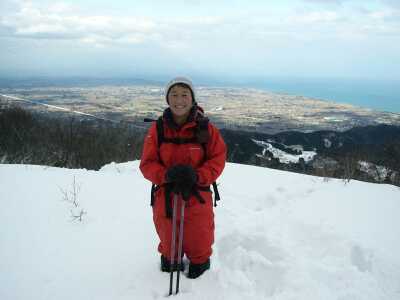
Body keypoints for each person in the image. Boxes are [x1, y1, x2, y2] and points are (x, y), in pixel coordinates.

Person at [139, 76, 226, 279]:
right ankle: (169, 263)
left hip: (197, 192)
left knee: (200, 235)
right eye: (174, 94)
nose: (179, 100)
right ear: (167, 99)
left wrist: (197, 175)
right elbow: (147, 164)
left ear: (192, 99)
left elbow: (217, 159)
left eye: (184, 94)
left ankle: (200, 268)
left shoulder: (206, 129)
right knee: (168, 235)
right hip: (166, 194)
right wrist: (165, 174)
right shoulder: (157, 129)